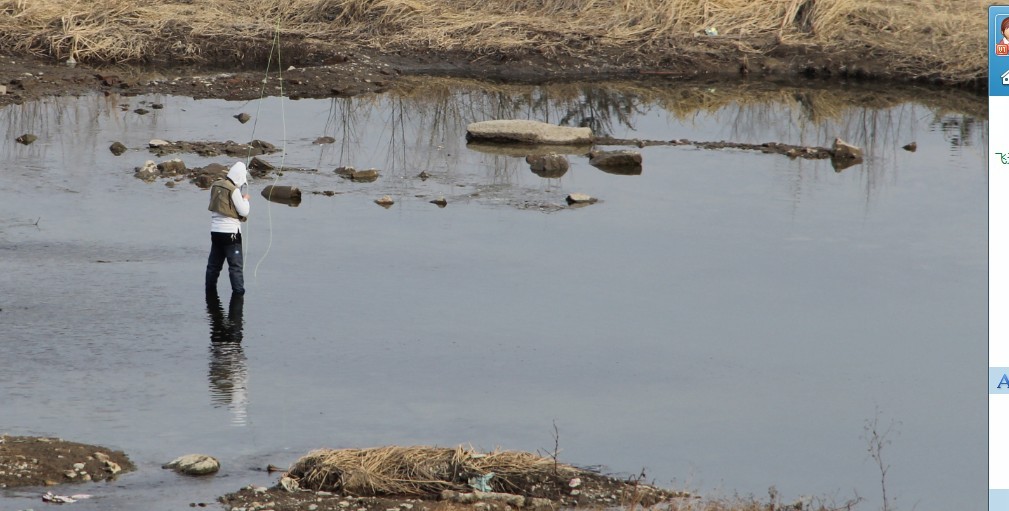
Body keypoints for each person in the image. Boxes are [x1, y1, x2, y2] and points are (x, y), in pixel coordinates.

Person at [206, 161, 251, 295]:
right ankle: (238, 296)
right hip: (231, 235)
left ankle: (210, 291)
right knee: (235, 268)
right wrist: (246, 200)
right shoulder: (234, 190)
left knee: (213, 266)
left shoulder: (215, 185)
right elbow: (244, 212)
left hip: (215, 233)